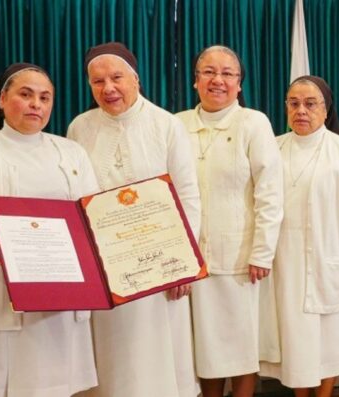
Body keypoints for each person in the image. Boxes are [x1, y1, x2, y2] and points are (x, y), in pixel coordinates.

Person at [0, 63, 99, 396]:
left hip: (62, 299)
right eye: (25, 95)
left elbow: (92, 214)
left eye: (44, 97)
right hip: (1, 294)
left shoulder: (71, 153)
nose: (35, 105)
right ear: (2, 99)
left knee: (57, 387)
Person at [67, 42, 201, 397]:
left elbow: (188, 196)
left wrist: (183, 266)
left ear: (135, 79)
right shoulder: (80, 127)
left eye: (116, 78)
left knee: (158, 356)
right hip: (105, 265)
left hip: (160, 264)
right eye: (98, 82)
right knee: (113, 360)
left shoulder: (166, 125)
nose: (108, 88)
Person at [175, 45, 283, 397]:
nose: (217, 80)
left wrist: (262, 253)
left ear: (239, 83)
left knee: (239, 346)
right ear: (195, 81)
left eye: (227, 74)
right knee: (202, 348)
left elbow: (270, 193)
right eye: (208, 72)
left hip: (240, 258)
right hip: (190, 258)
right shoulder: (176, 125)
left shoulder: (254, 122)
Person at [259, 76, 339, 397]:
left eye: (310, 104)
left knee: (329, 343)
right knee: (297, 343)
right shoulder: (272, 148)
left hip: (331, 259)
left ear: (325, 110)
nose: (301, 110)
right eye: (293, 103)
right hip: (285, 263)